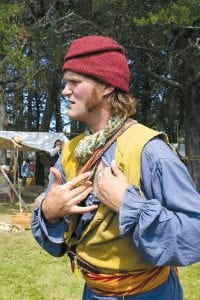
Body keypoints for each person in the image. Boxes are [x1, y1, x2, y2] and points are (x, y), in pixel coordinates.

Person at [32, 36, 200, 299]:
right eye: (66, 82)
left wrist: (127, 204)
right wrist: (49, 211)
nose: (65, 91)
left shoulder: (149, 150)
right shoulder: (71, 151)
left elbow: (194, 234)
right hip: (93, 291)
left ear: (107, 86)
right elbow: (57, 236)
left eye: (75, 82)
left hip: (150, 293)